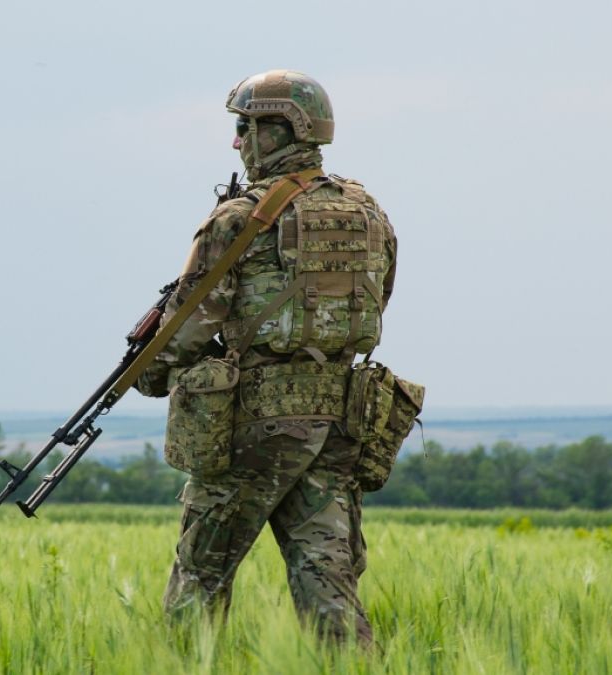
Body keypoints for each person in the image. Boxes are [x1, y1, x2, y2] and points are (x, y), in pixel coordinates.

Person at [135, 69, 397, 646]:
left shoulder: (239, 218)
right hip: (338, 424)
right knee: (330, 589)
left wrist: (148, 374)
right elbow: (378, 302)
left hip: (253, 426)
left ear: (282, 130)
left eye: (244, 127)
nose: (237, 142)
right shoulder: (369, 212)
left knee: (199, 580)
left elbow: (181, 335)